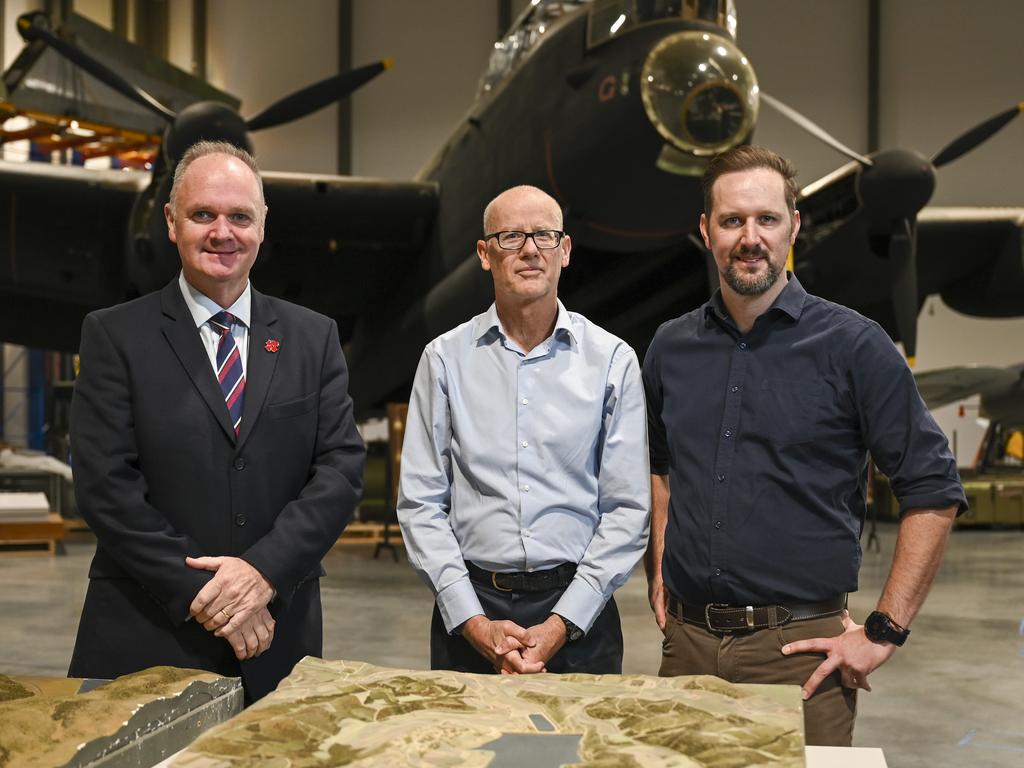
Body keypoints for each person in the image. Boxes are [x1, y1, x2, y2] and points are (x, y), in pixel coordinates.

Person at [643, 145, 966, 745]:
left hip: (799, 655)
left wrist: (884, 630)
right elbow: (661, 465)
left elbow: (933, 487)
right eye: (732, 220)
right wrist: (659, 567)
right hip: (685, 648)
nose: (750, 237)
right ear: (705, 231)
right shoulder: (670, 348)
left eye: (767, 219)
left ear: (794, 225)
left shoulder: (855, 347)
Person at [68, 140, 365, 702]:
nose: (222, 233)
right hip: (147, 629)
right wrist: (207, 595)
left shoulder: (313, 337)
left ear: (262, 227)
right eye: (203, 214)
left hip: (276, 632)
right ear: (171, 222)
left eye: (239, 217)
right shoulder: (114, 336)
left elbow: (341, 470)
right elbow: (105, 486)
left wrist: (263, 575)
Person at [398, 185, 649, 675]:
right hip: (470, 612)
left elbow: (627, 508)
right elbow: (421, 503)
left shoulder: (613, 361)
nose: (531, 249)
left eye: (545, 236)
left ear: (566, 250)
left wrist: (561, 623)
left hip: (581, 619)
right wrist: (472, 620)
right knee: (471, 753)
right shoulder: (444, 360)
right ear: (485, 254)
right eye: (511, 236)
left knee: (576, 752)